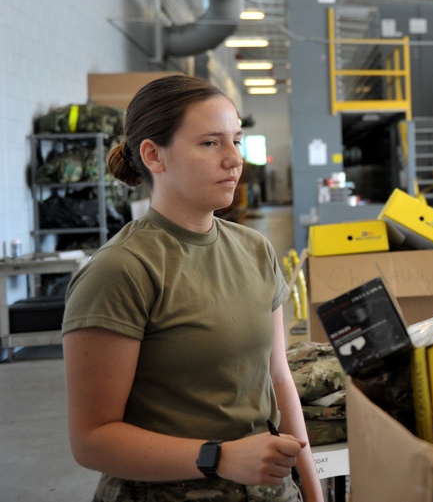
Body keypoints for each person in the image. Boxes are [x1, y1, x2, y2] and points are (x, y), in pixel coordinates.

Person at [62, 75, 323, 502]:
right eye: (210, 143)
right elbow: (92, 439)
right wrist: (217, 457)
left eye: (236, 141)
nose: (234, 159)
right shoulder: (122, 269)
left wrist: (312, 490)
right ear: (153, 155)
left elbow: (277, 377)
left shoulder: (255, 249)